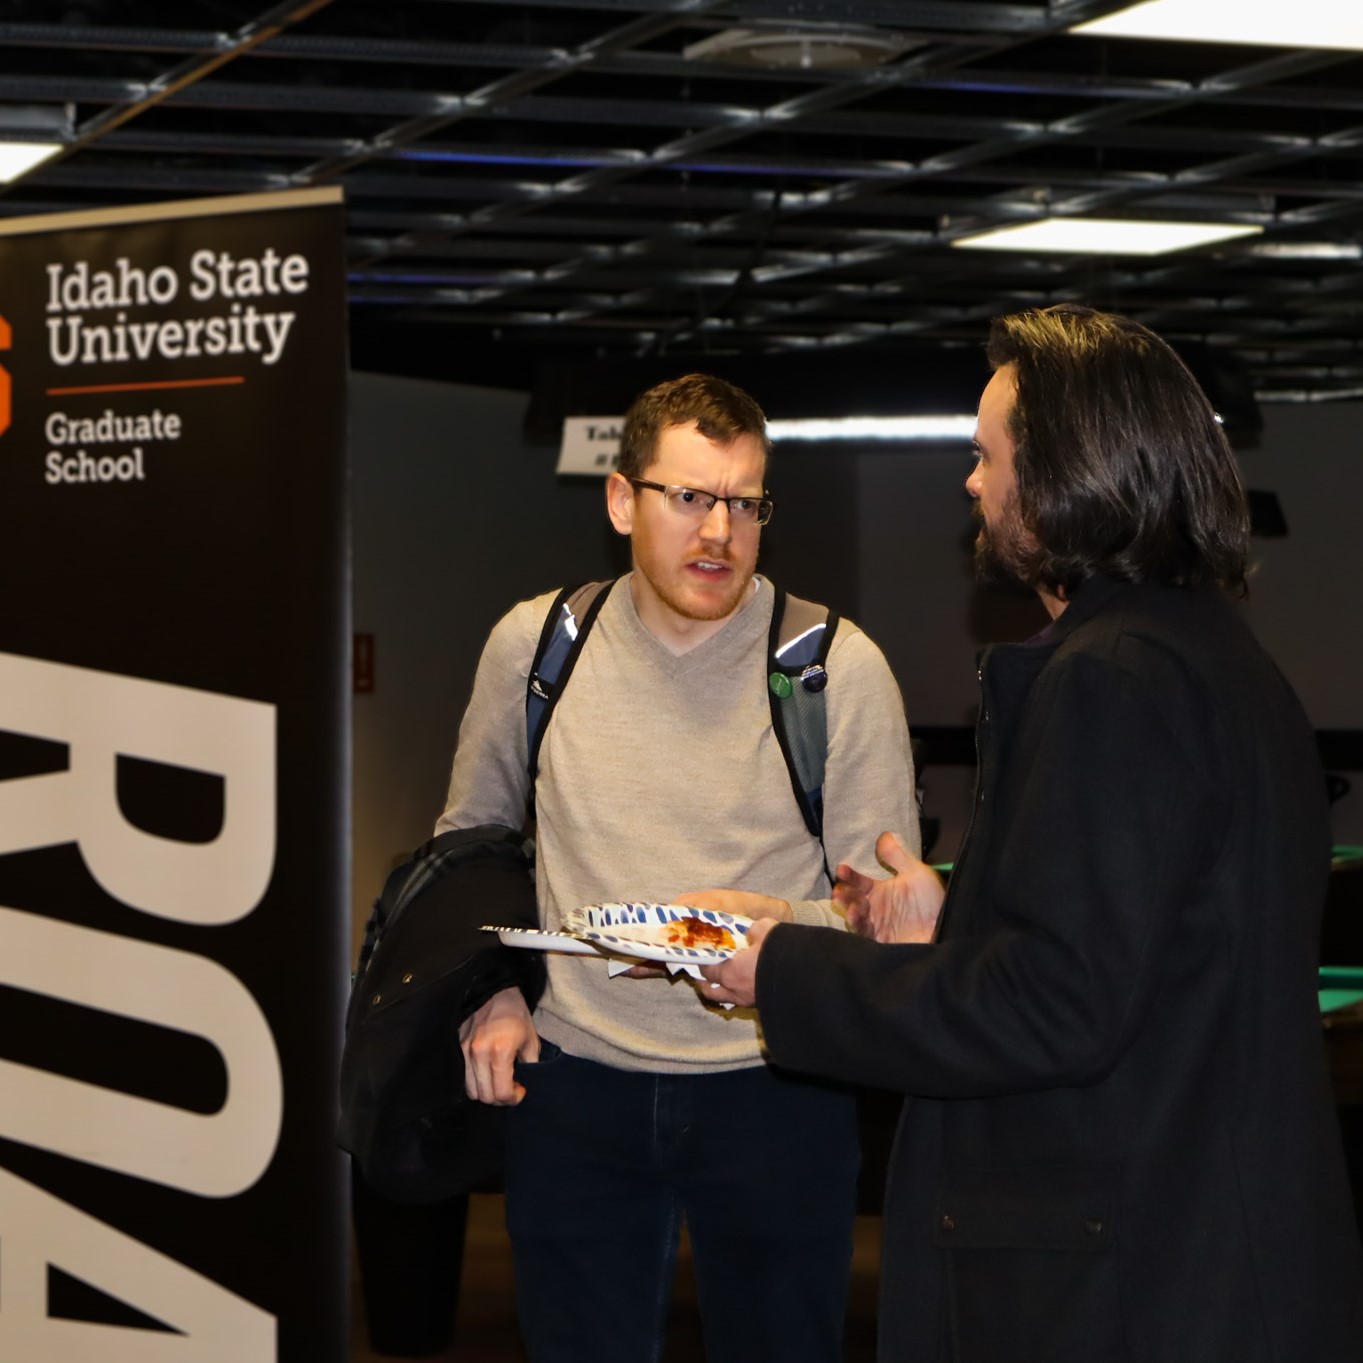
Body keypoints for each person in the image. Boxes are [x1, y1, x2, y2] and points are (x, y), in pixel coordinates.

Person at [699, 306, 1363, 1362]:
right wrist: (948, 929)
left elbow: (1055, 1005)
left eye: (986, 454)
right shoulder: (1209, 656)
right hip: (1199, 1253)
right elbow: (1139, 952)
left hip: (1128, 1280)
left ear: (1063, 474)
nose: (970, 481)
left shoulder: (1110, 678)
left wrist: (781, 967)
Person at [441, 372, 920, 1363]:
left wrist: (778, 931)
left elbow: (882, 919)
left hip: (777, 1086)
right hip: (574, 1088)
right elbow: (470, 845)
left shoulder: (833, 667)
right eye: (690, 497)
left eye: (744, 502)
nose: (719, 533)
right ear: (623, 501)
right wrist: (494, 992)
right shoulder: (536, 648)